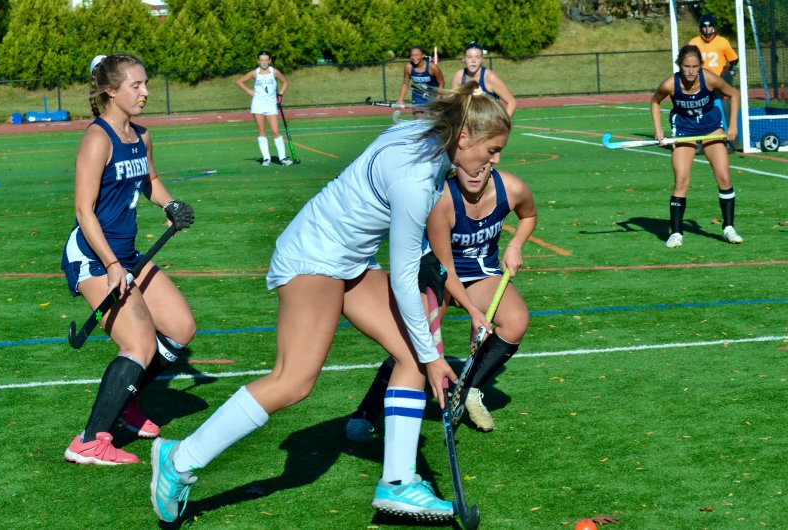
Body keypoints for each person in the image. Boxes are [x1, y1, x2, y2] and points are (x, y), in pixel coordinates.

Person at [149, 82, 512, 524]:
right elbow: (401, 276)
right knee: (294, 381)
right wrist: (435, 356)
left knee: (413, 358)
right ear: (465, 137)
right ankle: (179, 460)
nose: (495, 161)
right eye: (492, 150)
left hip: (350, 261)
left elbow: (414, 250)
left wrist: (462, 308)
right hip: (313, 258)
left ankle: (398, 483)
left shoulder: (425, 139)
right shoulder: (416, 176)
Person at [61, 53, 196, 465]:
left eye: (145, 83)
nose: (145, 92)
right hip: (93, 254)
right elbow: (84, 211)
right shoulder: (97, 138)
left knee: (180, 329)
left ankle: (127, 402)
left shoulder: (141, 136)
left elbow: (150, 181)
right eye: (136, 85)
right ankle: (89, 440)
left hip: (126, 254)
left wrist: (170, 205)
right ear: (111, 90)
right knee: (137, 343)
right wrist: (113, 265)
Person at [347, 163, 537, 439]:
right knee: (416, 340)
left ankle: (470, 390)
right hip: (439, 274)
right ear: (455, 164)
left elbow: (529, 215)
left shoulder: (512, 188)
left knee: (516, 320)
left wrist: (515, 245)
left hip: (482, 275)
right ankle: (366, 411)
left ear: (492, 160)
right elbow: (445, 266)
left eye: (482, 167)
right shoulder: (443, 200)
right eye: (467, 168)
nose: (475, 174)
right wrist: (473, 311)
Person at [650, 44, 742, 249]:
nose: (691, 71)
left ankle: (728, 228)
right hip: (684, 129)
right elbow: (655, 102)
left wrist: (733, 125)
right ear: (679, 65)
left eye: (694, 66)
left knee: (724, 177)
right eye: (686, 66)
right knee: (681, 180)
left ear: (700, 65)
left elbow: (733, 94)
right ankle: (676, 233)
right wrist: (658, 130)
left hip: (710, 126)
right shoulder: (670, 84)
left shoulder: (708, 78)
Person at [689, 13, 739, 151]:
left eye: (709, 28)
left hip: (718, 80)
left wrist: (731, 71)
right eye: (704, 29)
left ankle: (730, 140)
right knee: (697, 109)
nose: (707, 31)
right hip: (700, 81)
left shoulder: (722, 42)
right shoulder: (694, 42)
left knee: (723, 107)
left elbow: (734, 60)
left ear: (714, 28)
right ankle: (698, 139)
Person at [235, 50, 292, 167]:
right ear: (258, 61)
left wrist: (280, 94)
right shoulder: (255, 73)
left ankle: (283, 158)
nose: (264, 62)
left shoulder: (274, 72)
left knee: (276, 131)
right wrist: (249, 91)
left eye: (266, 60)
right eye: (261, 60)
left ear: (270, 60)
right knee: (262, 131)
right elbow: (239, 81)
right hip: (258, 105)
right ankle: (266, 158)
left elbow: (285, 82)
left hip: (271, 105)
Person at [450, 41, 517, 119]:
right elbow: (451, 103)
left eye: (478, 57)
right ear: (464, 59)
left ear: (482, 60)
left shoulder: (490, 77)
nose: (473, 61)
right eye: (469, 57)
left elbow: (512, 102)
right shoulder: (459, 76)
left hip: (490, 124)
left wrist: (503, 126)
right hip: (468, 124)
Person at [396, 46, 445, 119]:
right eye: (412, 55)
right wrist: (400, 99)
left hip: (433, 98)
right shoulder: (408, 67)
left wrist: (438, 98)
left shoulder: (432, 67)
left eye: (416, 55)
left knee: (435, 123)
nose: (413, 57)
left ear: (423, 56)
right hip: (418, 99)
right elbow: (405, 83)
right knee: (419, 122)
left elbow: (441, 83)